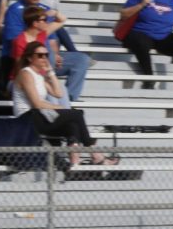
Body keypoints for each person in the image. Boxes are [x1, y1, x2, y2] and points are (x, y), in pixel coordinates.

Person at [12, 41, 118, 169]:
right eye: (40, 55)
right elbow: (36, 103)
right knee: (77, 114)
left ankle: (74, 163)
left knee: (72, 124)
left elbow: (58, 93)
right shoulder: (25, 73)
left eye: (46, 55)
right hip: (27, 119)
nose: (44, 58)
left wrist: (50, 72)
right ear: (29, 58)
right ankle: (96, 155)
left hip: (39, 116)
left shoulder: (39, 76)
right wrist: (61, 109)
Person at [3, 0, 89, 102]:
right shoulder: (15, 12)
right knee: (42, 51)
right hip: (28, 71)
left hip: (46, 67)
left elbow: (60, 22)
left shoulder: (42, 24)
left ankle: (70, 98)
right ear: (35, 23)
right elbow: (20, 63)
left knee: (81, 60)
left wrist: (54, 12)